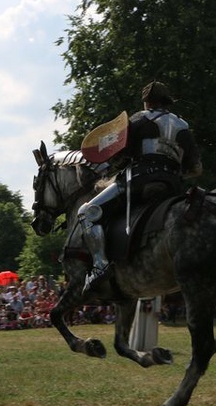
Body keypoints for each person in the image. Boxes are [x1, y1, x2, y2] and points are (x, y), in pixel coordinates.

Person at [79, 81, 203, 292]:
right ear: (167, 101)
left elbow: (118, 155)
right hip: (172, 187)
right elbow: (196, 169)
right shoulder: (183, 127)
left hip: (138, 181)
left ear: (146, 102)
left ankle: (100, 266)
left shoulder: (138, 119)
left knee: (86, 213)